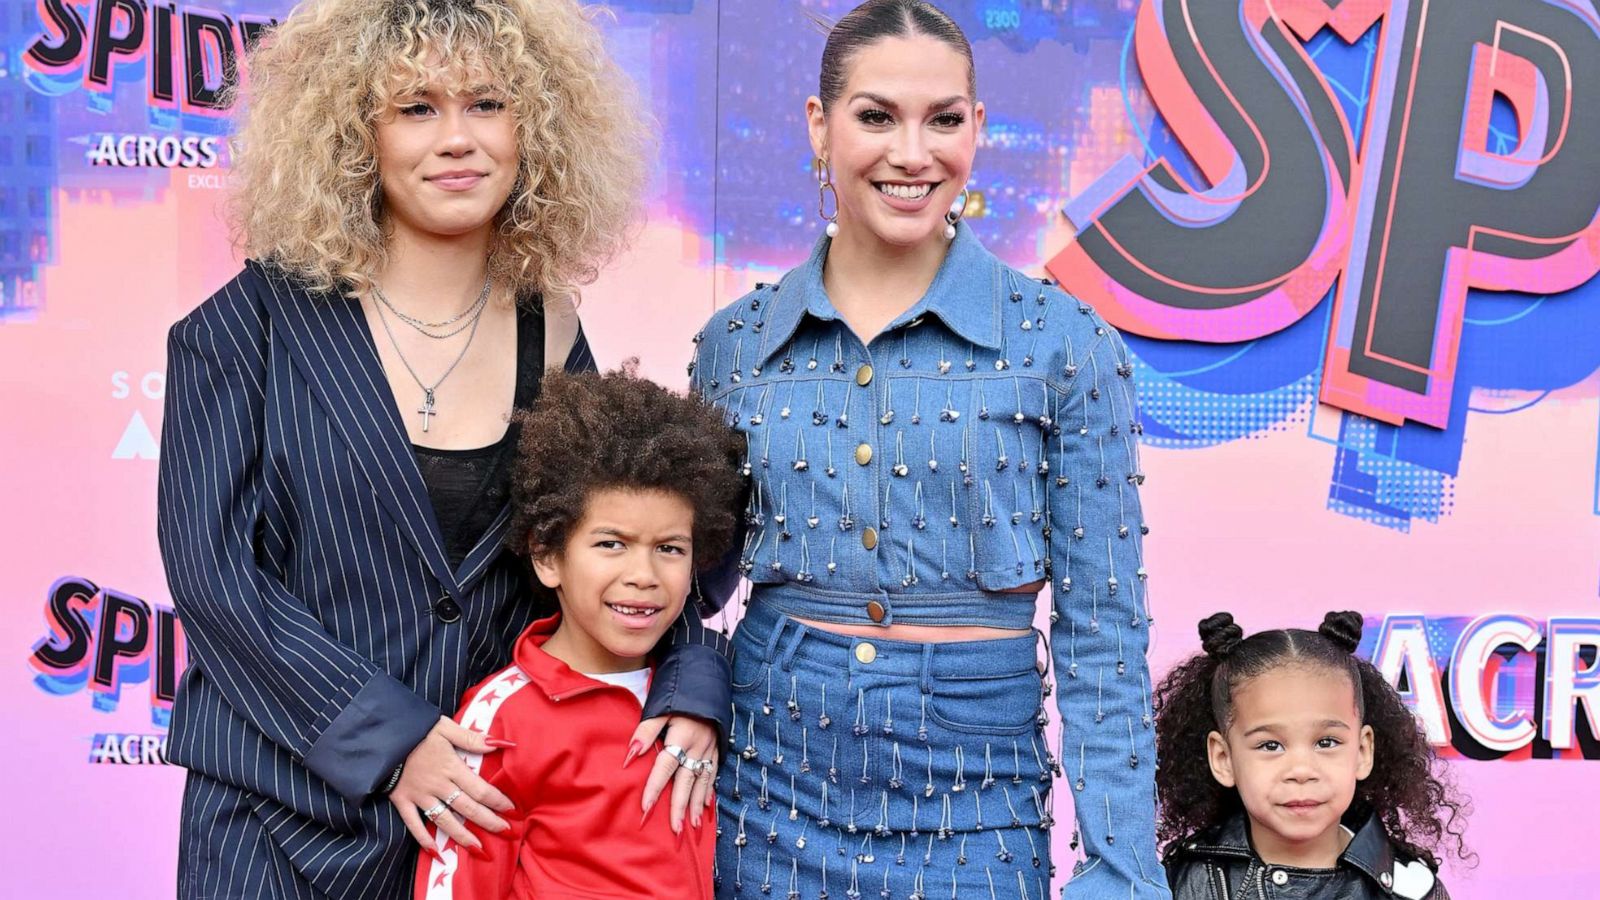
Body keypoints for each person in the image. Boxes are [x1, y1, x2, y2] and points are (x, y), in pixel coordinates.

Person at [156, 2, 725, 898]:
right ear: (353, 134)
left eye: (488, 105)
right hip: (271, 823)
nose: (457, 139)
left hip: (481, 830)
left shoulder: (553, 330)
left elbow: (623, 531)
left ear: (536, 128)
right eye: (417, 107)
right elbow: (214, 578)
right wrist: (391, 742)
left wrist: (691, 681)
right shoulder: (244, 328)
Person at [689, 1, 1167, 895]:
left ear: (977, 128)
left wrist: (1119, 866)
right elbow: (680, 582)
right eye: (876, 116)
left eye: (943, 119)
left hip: (980, 798)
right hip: (770, 778)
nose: (913, 154)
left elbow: (1104, 631)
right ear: (818, 125)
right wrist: (685, 703)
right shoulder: (735, 343)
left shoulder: (1065, 341)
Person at [411, 368, 744, 899]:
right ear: (547, 556)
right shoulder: (500, 719)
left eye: (670, 548)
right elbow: (457, 885)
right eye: (612, 543)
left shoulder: (697, 697)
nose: (644, 574)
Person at [1154, 612, 1470, 899]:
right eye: (1270, 745)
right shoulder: (1185, 882)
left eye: (1327, 742)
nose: (1302, 770)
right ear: (1223, 759)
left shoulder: (1410, 890)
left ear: (1362, 752)